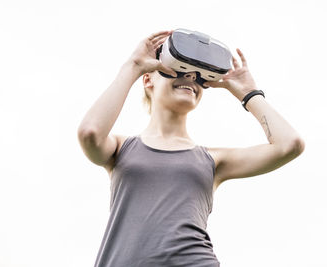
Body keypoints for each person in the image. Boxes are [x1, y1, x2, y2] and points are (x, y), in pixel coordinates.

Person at [77, 30, 305, 267]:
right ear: (148, 80)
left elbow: (289, 144)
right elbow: (90, 132)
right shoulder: (121, 148)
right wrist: (133, 66)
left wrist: (248, 93)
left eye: (198, 77)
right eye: (178, 70)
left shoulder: (213, 160)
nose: (190, 79)